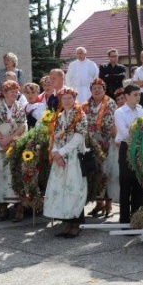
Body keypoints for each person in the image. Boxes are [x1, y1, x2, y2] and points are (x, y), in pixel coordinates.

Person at [44, 87, 89, 238]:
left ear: (74, 99)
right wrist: (56, 153)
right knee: (62, 189)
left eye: (70, 98)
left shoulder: (80, 115)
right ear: (61, 100)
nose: (67, 101)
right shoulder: (59, 116)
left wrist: (61, 152)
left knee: (74, 188)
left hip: (74, 157)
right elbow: (54, 136)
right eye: (64, 98)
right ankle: (67, 222)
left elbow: (78, 138)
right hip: (60, 158)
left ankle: (77, 222)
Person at [0, 80, 27, 221]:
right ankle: (3, 208)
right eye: (12, 91)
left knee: (15, 173)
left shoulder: (20, 106)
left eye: (17, 92)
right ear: (4, 93)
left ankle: (19, 209)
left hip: (14, 142)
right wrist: (1, 140)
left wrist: (10, 139)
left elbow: (23, 125)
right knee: (0, 174)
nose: (15, 94)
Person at [82, 78, 118, 218]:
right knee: (95, 172)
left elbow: (114, 122)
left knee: (106, 172)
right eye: (94, 88)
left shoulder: (110, 103)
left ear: (104, 89)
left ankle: (108, 204)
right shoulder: (86, 104)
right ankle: (99, 203)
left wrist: (108, 140)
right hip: (91, 144)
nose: (96, 90)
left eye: (99, 88)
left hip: (106, 143)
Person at [114, 84, 143, 224]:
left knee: (138, 186)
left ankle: (136, 219)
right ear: (126, 96)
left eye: (139, 95)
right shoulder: (120, 112)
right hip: (126, 149)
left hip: (140, 150)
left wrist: (134, 130)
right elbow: (124, 133)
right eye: (135, 95)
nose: (138, 97)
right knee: (126, 185)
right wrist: (137, 132)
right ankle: (124, 221)